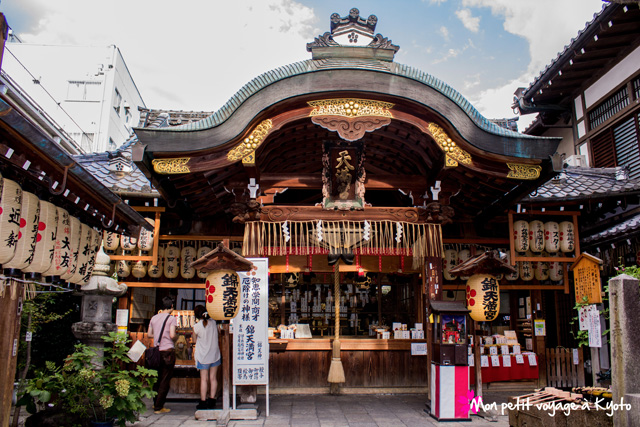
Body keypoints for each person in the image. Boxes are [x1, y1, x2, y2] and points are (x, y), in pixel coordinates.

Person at [148, 296, 177, 414]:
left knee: (157, 378)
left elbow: (149, 334)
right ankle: (159, 406)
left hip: (156, 351)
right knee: (165, 379)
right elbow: (172, 335)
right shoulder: (171, 319)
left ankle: (156, 403)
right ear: (171, 306)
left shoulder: (154, 318)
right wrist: (177, 336)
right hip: (168, 351)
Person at [192, 304, 221, 410]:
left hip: (203, 356)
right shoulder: (213, 323)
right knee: (213, 378)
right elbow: (219, 333)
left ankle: (203, 402)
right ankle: (212, 400)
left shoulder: (197, 326)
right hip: (215, 354)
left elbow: (194, 340)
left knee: (204, 379)